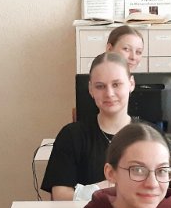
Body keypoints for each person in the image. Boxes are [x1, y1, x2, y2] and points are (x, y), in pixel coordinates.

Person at [41, 52, 137, 200]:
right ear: (91, 89)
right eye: (100, 86)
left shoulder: (150, 136)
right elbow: (60, 195)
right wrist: (99, 189)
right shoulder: (71, 135)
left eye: (116, 84)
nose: (109, 93)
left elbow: (161, 194)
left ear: (131, 84)